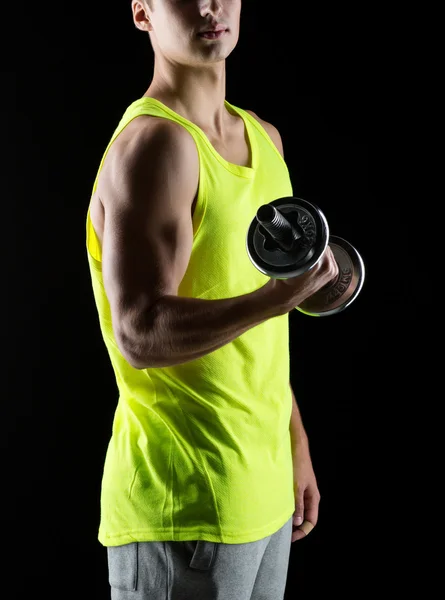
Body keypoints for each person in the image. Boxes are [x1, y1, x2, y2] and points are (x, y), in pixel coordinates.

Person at [85, 1, 338, 598]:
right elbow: (141, 331)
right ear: (143, 14)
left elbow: (254, 329)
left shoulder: (264, 139)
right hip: (184, 504)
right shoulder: (156, 145)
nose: (207, 6)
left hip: (263, 490)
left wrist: (294, 444)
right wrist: (273, 300)